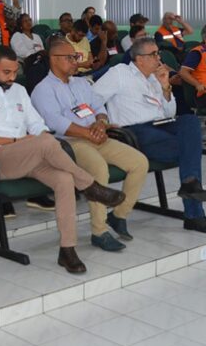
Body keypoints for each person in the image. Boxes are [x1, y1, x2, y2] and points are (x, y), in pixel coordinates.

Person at [0, 45, 126, 273]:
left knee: (64, 179)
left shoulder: (18, 90)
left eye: (15, 71)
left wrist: (38, 136)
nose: (11, 77)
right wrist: (21, 142)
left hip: (28, 155)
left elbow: (36, 123)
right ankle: (90, 186)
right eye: (6, 72)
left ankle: (67, 250)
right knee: (46, 142)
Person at [92, 37, 206, 234]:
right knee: (190, 151)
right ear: (139, 58)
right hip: (134, 131)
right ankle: (194, 214)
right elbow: (92, 97)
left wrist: (165, 87)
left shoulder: (154, 77)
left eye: (158, 54)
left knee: (189, 120)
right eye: (153, 54)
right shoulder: (119, 74)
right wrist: (103, 119)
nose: (158, 58)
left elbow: (169, 112)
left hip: (162, 125)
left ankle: (190, 187)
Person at [31, 37, 149, 252]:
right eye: (70, 57)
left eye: (76, 56)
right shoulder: (43, 89)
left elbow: (99, 107)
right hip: (70, 143)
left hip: (97, 136)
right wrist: (88, 132)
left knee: (139, 162)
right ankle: (99, 231)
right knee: (99, 169)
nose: (76, 61)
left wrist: (101, 124)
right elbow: (55, 122)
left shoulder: (81, 83)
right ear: (53, 59)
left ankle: (119, 215)